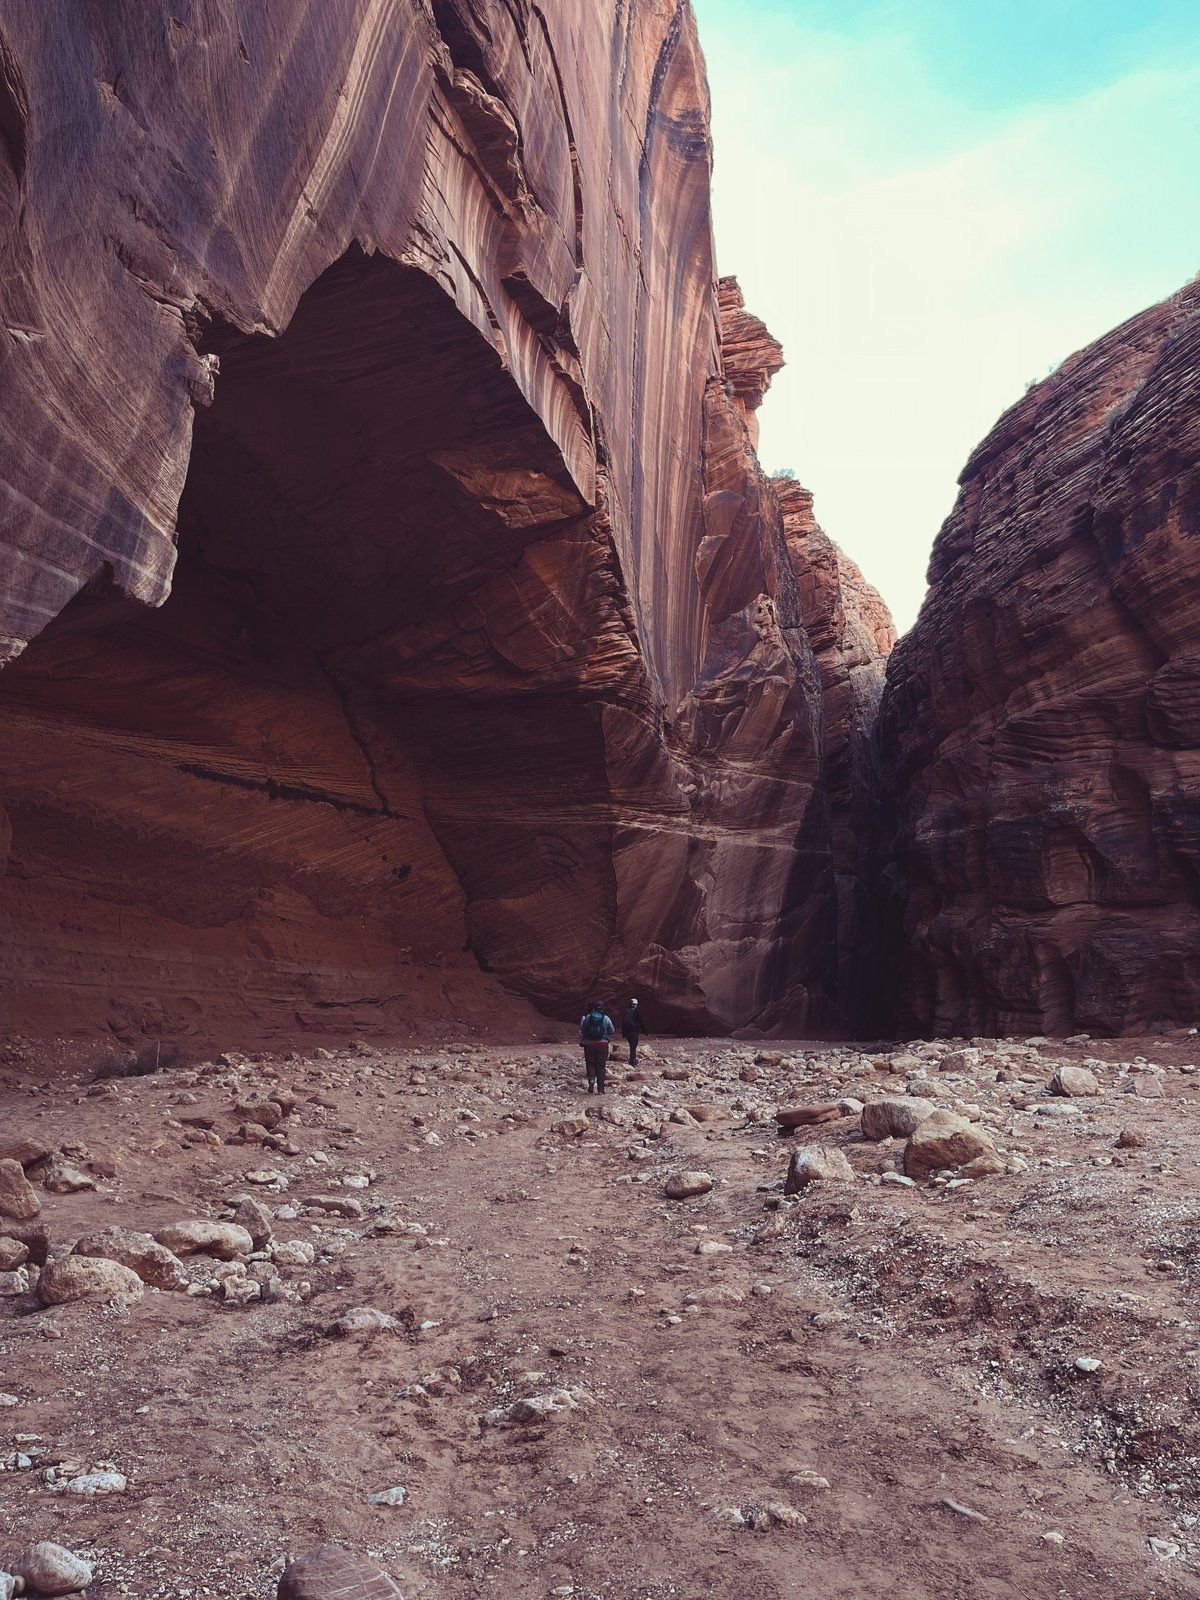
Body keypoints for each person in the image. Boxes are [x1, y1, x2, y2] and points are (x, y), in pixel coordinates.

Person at [578, 1000, 614, 1094]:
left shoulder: (588, 1017)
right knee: (601, 1066)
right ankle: (601, 1090)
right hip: (603, 1044)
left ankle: (591, 1081)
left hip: (589, 1045)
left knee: (590, 1064)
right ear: (602, 1008)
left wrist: (583, 1040)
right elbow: (612, 1030)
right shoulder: (606, 1018)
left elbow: (582, 1030)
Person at [621, 997, 647, 1066]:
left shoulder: (626, 1011)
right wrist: (644, 1031)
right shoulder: (637, 1012)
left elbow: (623, 1023)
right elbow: (641, 1021)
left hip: (628, 1032)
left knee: (632, 1046)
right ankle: (632, 1061)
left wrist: (623, 1033)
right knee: (633, 1047)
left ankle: (632, 1059)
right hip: (634, 1032)